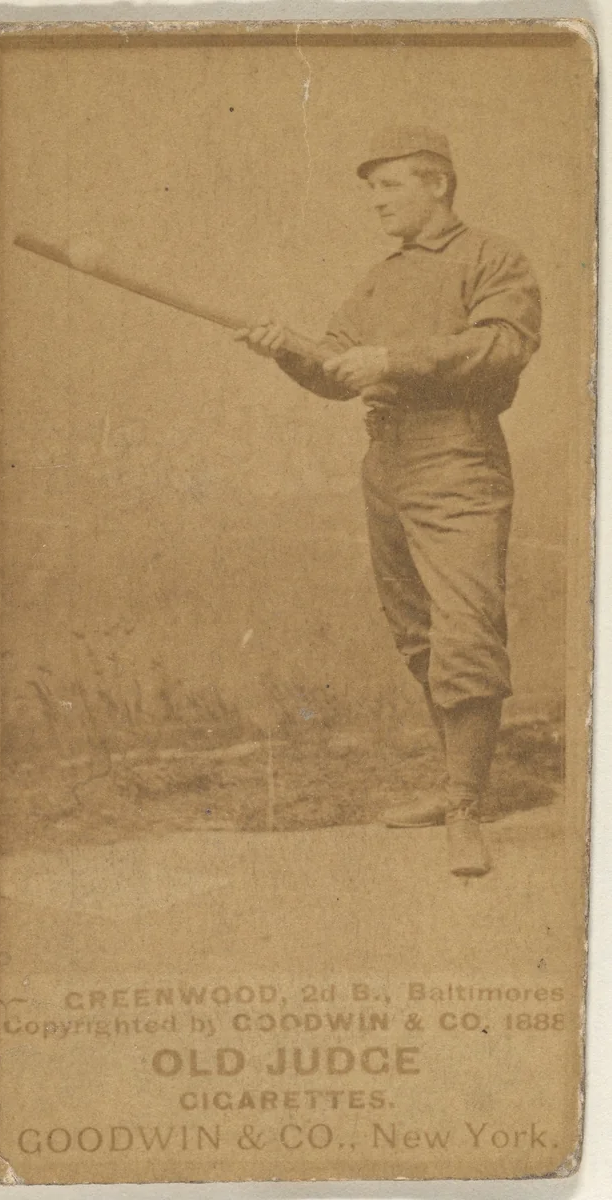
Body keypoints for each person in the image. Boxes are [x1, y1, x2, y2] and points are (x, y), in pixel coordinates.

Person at [235, 125, 541, 877]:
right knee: (417, 633)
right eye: (370, 189)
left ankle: (465, 810)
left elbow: (503, 345)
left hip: (458, 452)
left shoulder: (491, 257)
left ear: (436, 183)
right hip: (387, 459)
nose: (375, 202)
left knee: (466, 631)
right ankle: (453, 785)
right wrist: (286, 350)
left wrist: (394, 358)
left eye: (388, 185)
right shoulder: (378, 279)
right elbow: (335, 371)